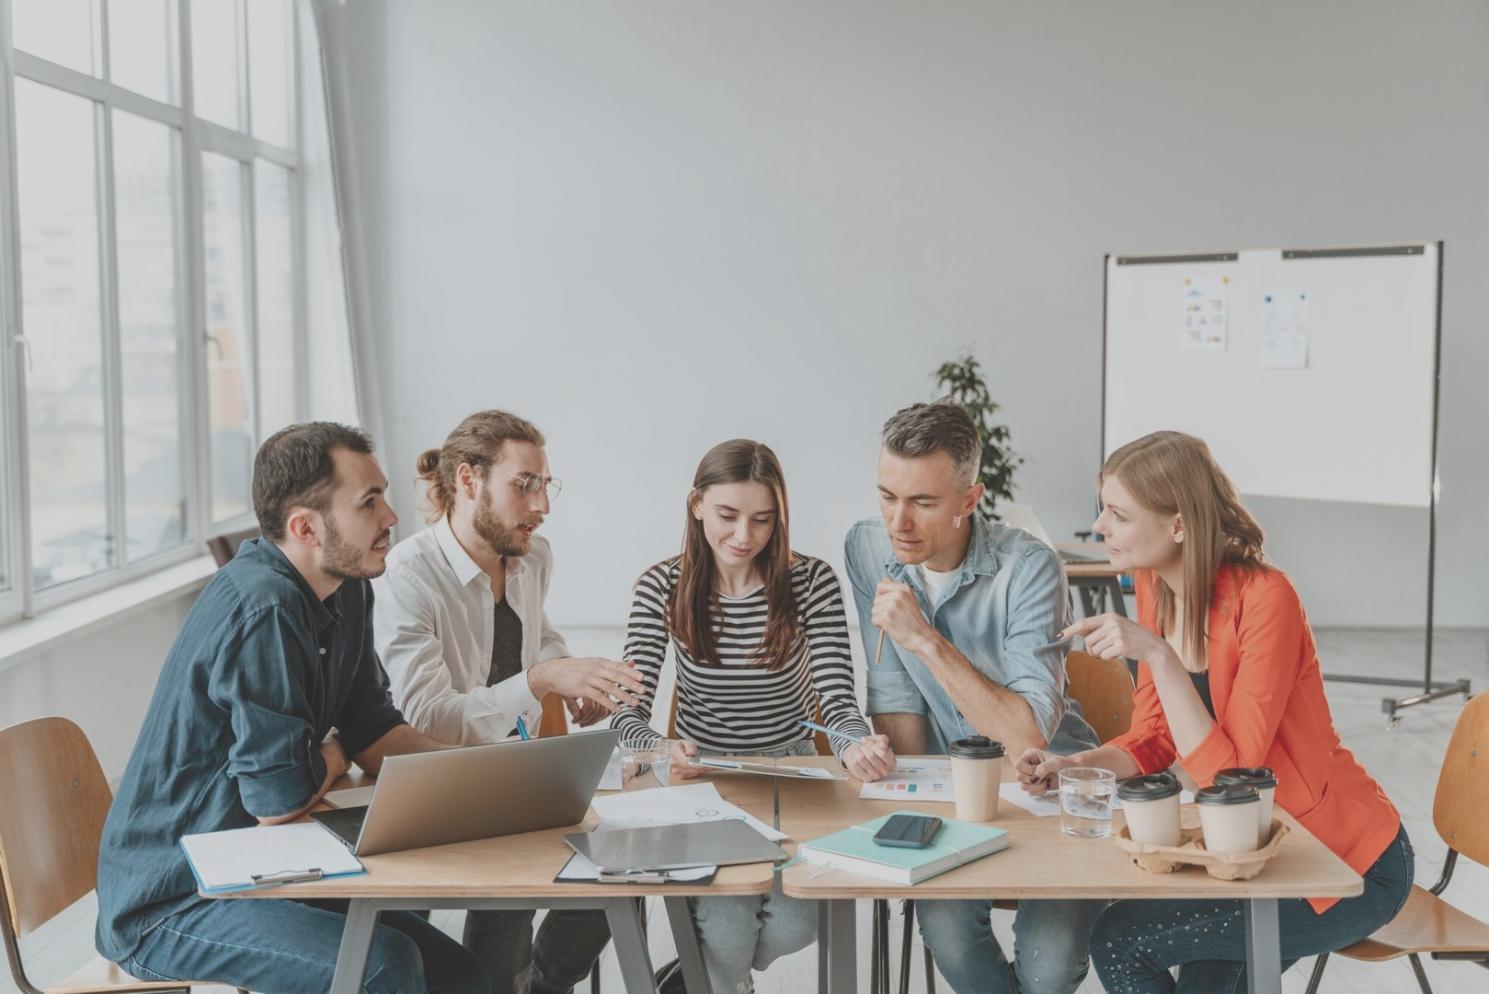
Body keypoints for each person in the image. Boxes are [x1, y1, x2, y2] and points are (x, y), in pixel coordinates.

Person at [94, 423, 488, 994]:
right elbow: (277, 803)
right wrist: (336, 752)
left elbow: (373, 730)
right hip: (172, 902)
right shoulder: (265, 608)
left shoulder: (348, 585)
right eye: (369, 502)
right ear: (306, 527)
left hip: (257, 866)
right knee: (385, 966)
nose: (391, 516)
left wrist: (480, 775)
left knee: (461, 974)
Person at [1017, 430, 1413, 993]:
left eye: (1119, 515)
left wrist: (1159, 655)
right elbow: (1155, 735)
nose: (1099, 526)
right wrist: (1078, 765)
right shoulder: (1155, 584)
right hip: (1240, 855)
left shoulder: (1268, 598)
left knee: (1123, 942)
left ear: (1177, 525)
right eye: (1102, 509)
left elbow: (1235, 778)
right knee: (1132, 943)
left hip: (1334, 863)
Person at [374, 409, 644, 994]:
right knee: (512, 893)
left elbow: (536, 634)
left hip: (514, 768)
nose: (542, 505)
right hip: (439, 780)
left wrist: (571, 676)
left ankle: (542, 985)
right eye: (524, 485)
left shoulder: (531, 555)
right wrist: (544, 678)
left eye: (545, 485)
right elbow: (428, 720)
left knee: (626, 865)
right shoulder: (407, 576)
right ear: (468, 480)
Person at [614, 438, 896, 994]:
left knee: (800, 920)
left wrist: (855, 745)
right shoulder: (661, 586)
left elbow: (838, 701)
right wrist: (659, 748)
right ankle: (718, 979)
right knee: (726, 929)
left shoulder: (811, 581)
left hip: (793, 773)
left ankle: (699, 977)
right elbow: (627, 715)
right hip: (705, 780)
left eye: (762, 520)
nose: (744, 536)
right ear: (697, 504)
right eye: (728, 516)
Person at [843, 401, 1103, 994]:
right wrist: (911, 801)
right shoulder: (865, 547)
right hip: (949, 789)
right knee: (948, 931)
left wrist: (926, 640)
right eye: (887, 496)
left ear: (969, 498)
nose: (898, 522)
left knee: (1050, 964)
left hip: (1050, 787)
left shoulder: (1030, 567)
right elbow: (893, 690)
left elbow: (1028, 735)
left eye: (923, 502)